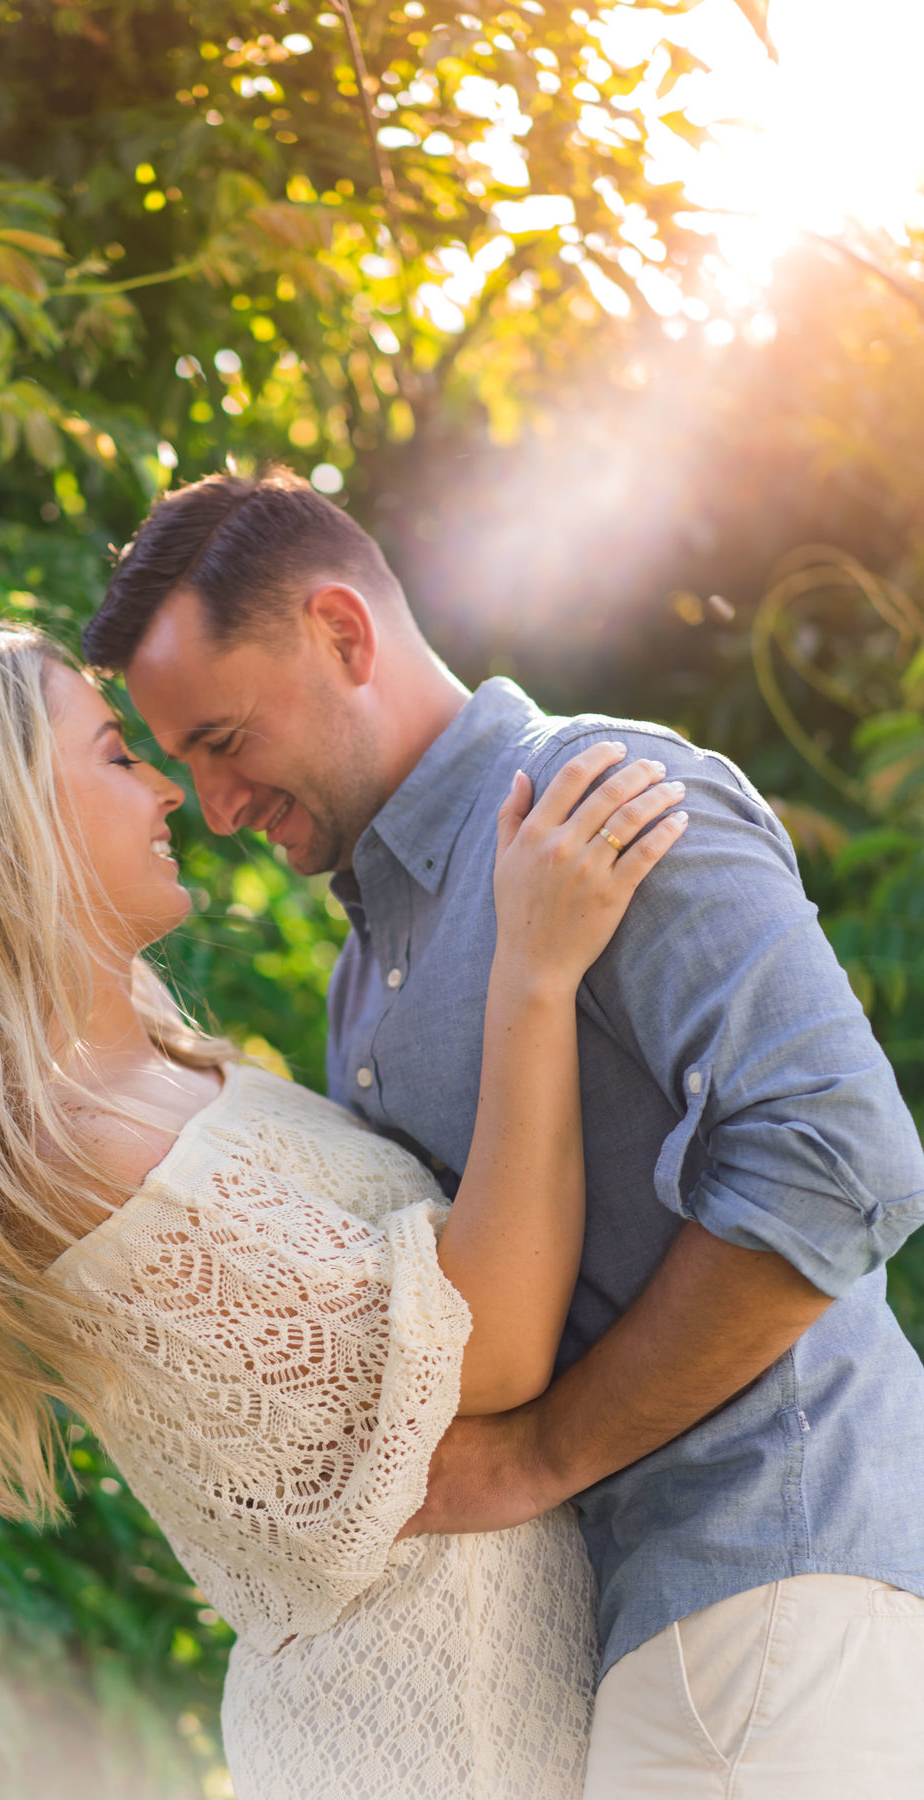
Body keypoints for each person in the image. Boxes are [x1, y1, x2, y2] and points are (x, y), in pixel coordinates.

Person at [83, 465, 924, 1798]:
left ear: (344, 635)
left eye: (223, 738)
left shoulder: (608, 796)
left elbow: (843, 1159)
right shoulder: (361, 978)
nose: (219, 803)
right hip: (634, 1632)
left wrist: (545, 1455)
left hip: (774, 1577)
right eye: (180, 758)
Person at [0, 620, 688, 1799]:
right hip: (428, 1752)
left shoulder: (165, 1074)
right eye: (117, 756)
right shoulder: (73, 1157)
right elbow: (488, 1353)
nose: (170, 793)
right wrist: (533, 969)